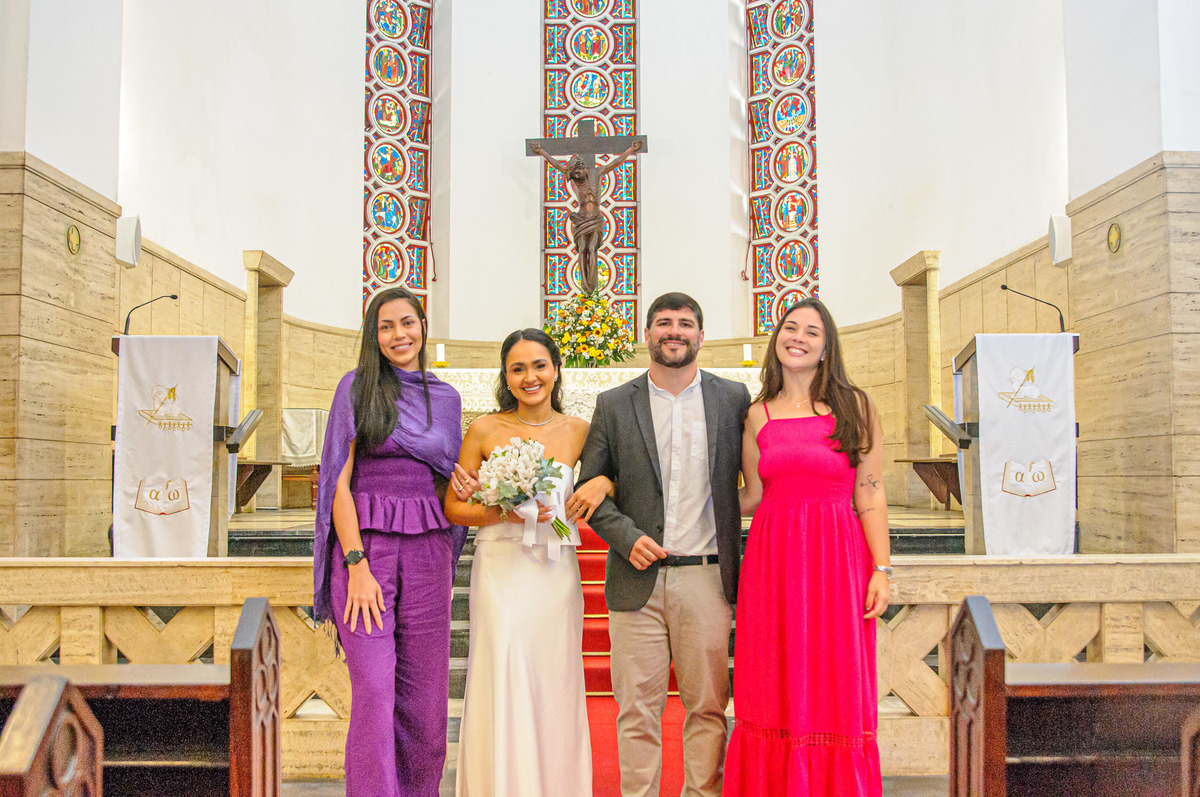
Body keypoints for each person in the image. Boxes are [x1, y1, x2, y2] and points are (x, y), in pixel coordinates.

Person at [578, 292, 752, 797]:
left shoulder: (732, 399)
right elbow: (591, 488)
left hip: (707, 575)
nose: (673, 331)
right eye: (662, 323)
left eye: (685, 323)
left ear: (702, 335)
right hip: (636, 577)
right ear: (646, 334)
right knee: (636, 710)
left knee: (707, 707)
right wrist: (627, 537)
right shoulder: (614, 403)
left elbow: (759, 477)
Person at [723, 297, 891, 797]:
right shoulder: (756, 414)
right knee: (771, 679)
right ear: (777, 340)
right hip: (773, 564)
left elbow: (871, 489)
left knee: (835, 680)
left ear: (826, 347)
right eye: (790, 328)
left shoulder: (854, 405)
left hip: (837, 560)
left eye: (811, 332)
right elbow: (752, 495)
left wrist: (881, 567)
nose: (798, 337)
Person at [444, 328, 613, 797]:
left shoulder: (580, 430)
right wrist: (507, 511)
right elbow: (455, 508)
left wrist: (600, 489)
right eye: (518, 368)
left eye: (539, 365)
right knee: (504, 668)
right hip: (500, 571)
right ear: (506, 375)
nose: (530, 376)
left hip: (554, 572)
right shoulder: (483, 429)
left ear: (555, 370)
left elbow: (610, 482)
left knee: (553, 677)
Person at [312, 286, 466, 797]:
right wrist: (355, 563)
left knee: (425, 702)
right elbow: (337, 477)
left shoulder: (445, 398)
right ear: (373, 336)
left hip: (428, 552)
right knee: (376, 694)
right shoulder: (356, 387)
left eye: (407, 323)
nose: (399, 335)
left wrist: (471, 485)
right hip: (366, 551)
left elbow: (450, 479)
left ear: (423, 325)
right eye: (386, 326)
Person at [531, 139, 641, 294]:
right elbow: (557, 165)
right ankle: (585, 286)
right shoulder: (576, 179)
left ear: (584, 168)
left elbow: (615, 162)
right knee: (582, 249)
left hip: (595, 219)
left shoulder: (597, 173)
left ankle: (592, 286)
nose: (577, 174)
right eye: (574, 171)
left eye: (578, 169)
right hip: (581, 220)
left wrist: (631, 149)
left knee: (592, 249)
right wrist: (542, 152)